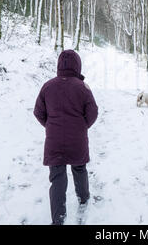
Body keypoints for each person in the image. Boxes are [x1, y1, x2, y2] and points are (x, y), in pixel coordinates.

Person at [33, 49, 98, 225]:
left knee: (57, 177)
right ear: (78, 66)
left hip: (54, 141)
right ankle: (83, 198)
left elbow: (38, 112)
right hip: (77, 140)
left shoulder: (47, 86)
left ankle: (58, 219)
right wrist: (82, 126)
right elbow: (93, 112)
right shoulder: (83, 87)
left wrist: (50, 126)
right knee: (79, 169)